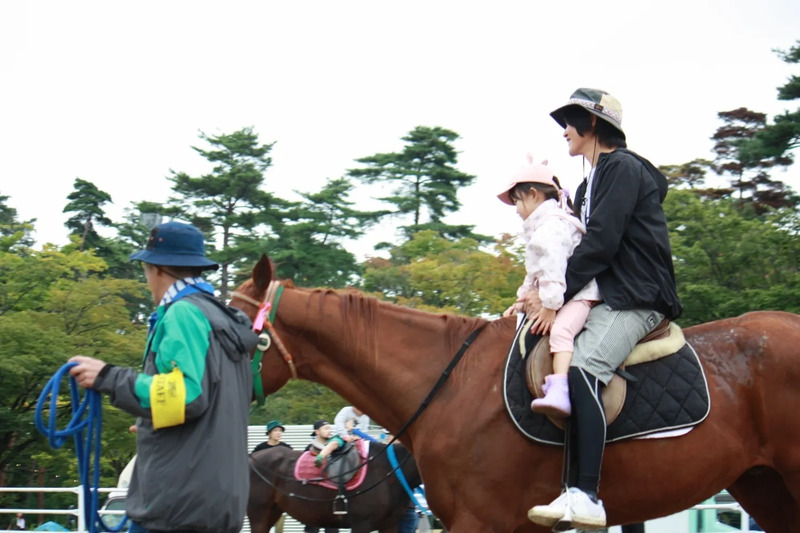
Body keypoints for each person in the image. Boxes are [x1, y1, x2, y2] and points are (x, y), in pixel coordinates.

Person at [527, 88, 682, 530]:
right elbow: (571, 240)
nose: (565, 134)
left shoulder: (623, 168)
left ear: (592, 124)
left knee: (583, 369)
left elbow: (601, 245)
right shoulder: (589, 182)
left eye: (570, 124)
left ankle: (587, 494)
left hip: (640, 297)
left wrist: (554, 298)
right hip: (609, 293)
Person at [68, 221, 258, 533]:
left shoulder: (183, 313)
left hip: (177, 504)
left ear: (155, 269)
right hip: (216, 501)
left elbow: (188, 396)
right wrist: (152, 421)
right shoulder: (222, 321)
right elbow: (210, 408)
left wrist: (107, 377)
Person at [498, 157, 600, 417]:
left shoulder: (552, 227)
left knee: (561, 333)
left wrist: (550, 307)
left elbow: (554, 271)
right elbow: (534, 274)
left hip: (580, 297)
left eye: (517, 201)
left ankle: (560, 389)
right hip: (559, 296)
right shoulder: (541, 228)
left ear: (533, 195)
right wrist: (520, 302)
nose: (517, 209)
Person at [303, 420, 340, 533]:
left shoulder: (336, 448)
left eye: (330, 428)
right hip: (313, 500)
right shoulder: (309, 450)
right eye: (326, 428)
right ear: (317, 432)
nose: (329, 430)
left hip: (331, 499)